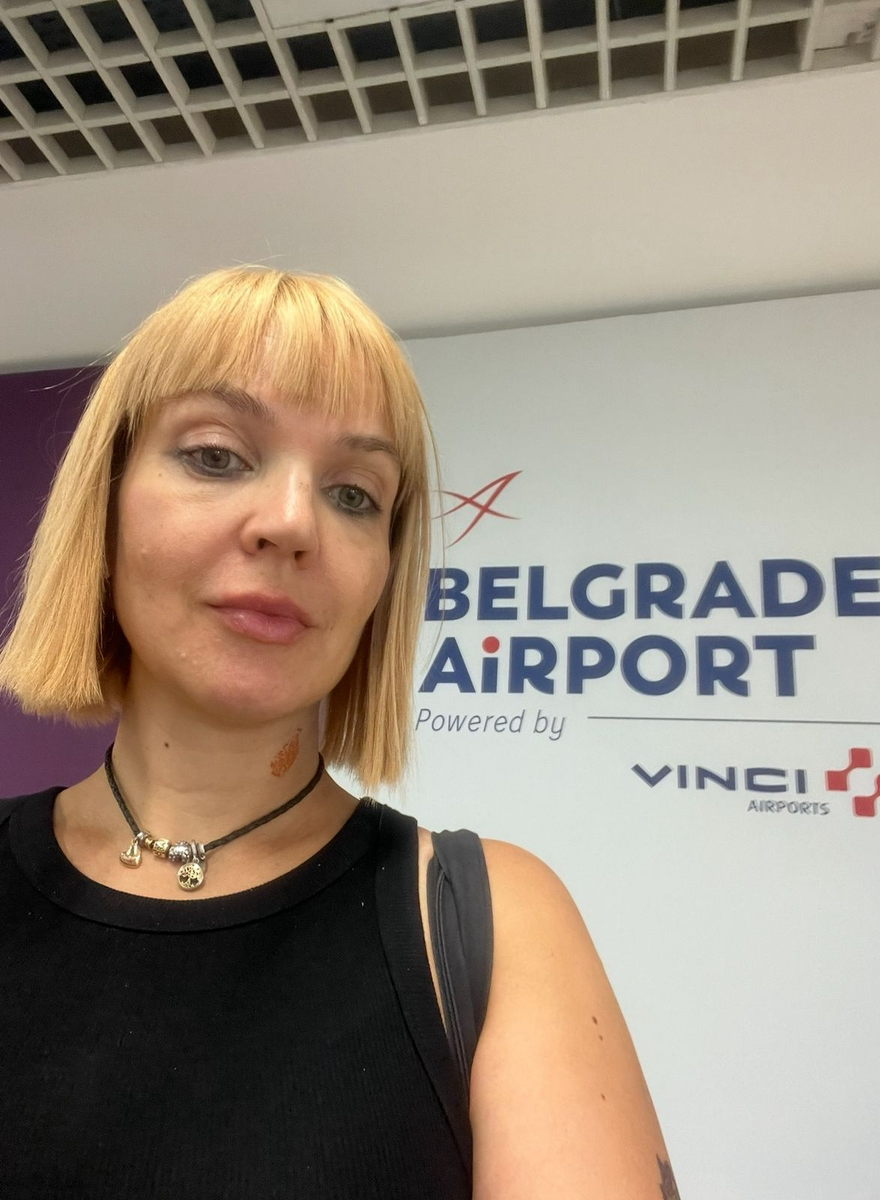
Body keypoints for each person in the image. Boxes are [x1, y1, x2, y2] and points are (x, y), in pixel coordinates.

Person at [0, 266, 680, 1199]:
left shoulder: (490, 924)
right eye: (216, 456)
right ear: (104, 505)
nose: (291, 524)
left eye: (354, 494)